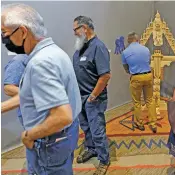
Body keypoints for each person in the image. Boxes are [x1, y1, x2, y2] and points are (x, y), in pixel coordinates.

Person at [1, 3, 81, 174]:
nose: (4, 39)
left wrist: (29, 135)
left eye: (5, 33)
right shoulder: (54, 52)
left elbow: (62, 116)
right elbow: (31, 95)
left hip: (48, 143)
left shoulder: (40, 63)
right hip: (65, 136)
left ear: (22, 32)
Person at [72, 16, 111, 175]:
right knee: (86, 128)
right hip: (80, 97)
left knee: (97, 129)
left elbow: (105, 76)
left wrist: (93, 96)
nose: (74, 33)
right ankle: (91, 149)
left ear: (84, 28)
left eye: (75, 29)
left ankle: (104, 159)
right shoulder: (81, 47)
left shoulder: (98, 47)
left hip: (93, 99)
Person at [121, 32, 157, 133]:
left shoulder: (125, 52)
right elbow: (148, 62)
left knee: (137, 102)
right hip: (148, 75)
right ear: (138, 39)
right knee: (150, 100)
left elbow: (126, 68)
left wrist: (132, 71)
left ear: (128, 40)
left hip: (136, 77)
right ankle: (153, 124)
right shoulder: (146, 49)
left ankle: (139, 124)